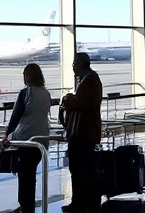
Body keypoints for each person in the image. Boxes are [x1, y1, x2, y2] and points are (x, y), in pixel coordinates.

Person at [1, 64, 52, 213]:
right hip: (41, 141)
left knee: (24, 177)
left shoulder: (25, 93)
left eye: (25, 75)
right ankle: (28, 205)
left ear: (28, 76)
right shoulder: (46, 93)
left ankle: (26, 206)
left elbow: (16, 117)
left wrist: (7, 136)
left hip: (25, 141)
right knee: (31, 175)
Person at [61, 53, 102, 213]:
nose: (73, 66)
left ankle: (84, 202)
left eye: (75, 63)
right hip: (79, 132)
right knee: (79, 169)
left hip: (84, 133)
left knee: (82, 169)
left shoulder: (91, 80)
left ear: (83, 64)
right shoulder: (85, 80)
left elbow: (88, 102)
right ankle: (81, 201)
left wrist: (68, 100)